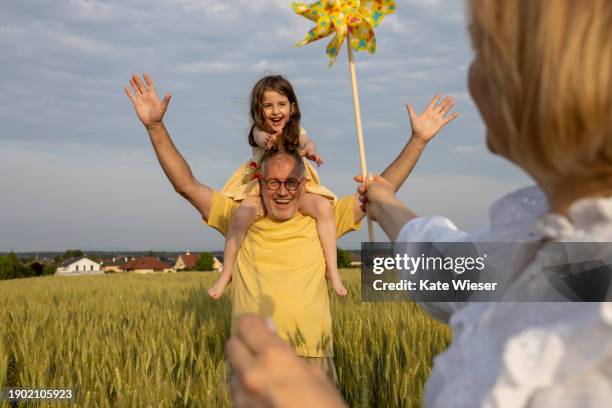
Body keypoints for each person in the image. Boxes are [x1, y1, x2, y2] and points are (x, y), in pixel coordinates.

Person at [226, 0, 612, 406]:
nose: (471, 72)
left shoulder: (593, 295)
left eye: (482, 52)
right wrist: (386, 202)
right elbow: (455, 269)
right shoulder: (548, 237)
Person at [124, 72, 456, 384]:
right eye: (274, 182)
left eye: (292, 182)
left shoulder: (321, 217)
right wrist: (155, 126)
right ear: (259, 181)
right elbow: (186, 185)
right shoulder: (240, 215)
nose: (283, 190)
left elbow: (381, 192)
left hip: (315, 359)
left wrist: (418, 140)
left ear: (304, 181)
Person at [208, 75, 348, 300]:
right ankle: (227, 273)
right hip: (262, 187)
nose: (275, 111)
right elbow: (259, 136)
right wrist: (266, 139)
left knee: (323, 207)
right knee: (242, 215)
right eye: (268, 106)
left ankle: (332, 269)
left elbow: (306, 142)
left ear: (292, 108)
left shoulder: (297, 130)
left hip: (296, 186)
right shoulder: (259, 130)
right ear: (259, 110)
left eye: (281, 104)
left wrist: (310, 150)